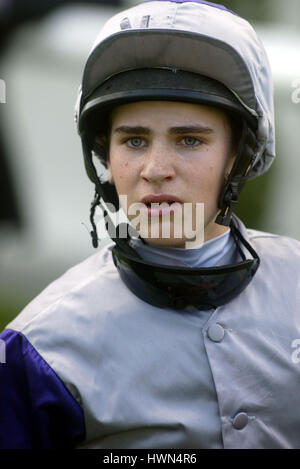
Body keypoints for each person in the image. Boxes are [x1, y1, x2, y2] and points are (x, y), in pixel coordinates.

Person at [0, 0, 299, 450]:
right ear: (105, 155)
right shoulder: (37, 347)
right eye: (134, 140)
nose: (156, 168)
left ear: (238, 154)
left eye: (189, 139)